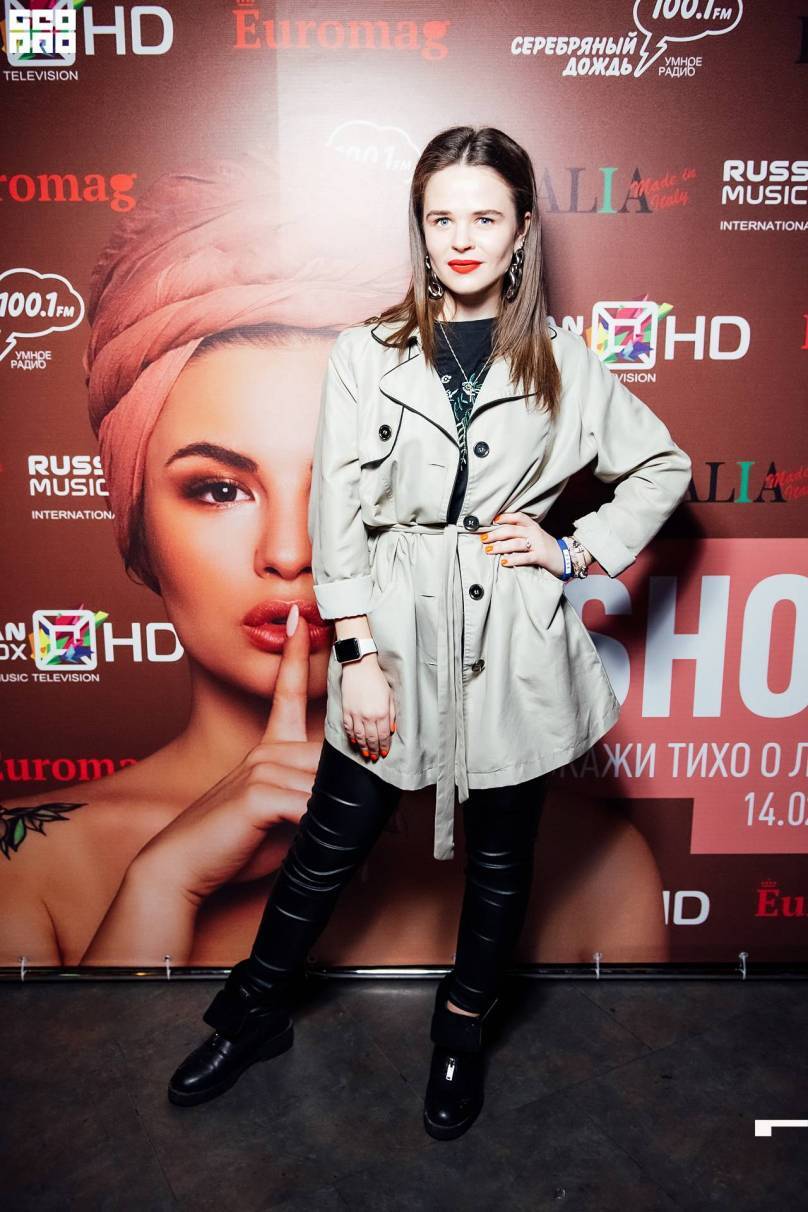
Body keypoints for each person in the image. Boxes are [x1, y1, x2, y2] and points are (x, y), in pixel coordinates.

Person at [168, 126, 692, 1140]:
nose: (460, 238)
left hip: (515, 640)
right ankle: (252, 1012)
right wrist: (357, 652)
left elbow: (660, 466)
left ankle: (460, 1032)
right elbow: (337, 514)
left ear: (522, 230)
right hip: (394, 626)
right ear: (418, 227)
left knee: (500, 861)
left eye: (484, 217)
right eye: (440, 217)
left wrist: (573, 549)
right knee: (329, 843)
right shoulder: (366, 352)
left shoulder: (562, 361)